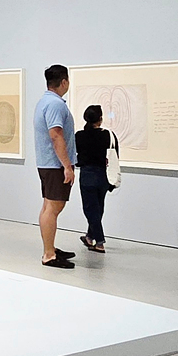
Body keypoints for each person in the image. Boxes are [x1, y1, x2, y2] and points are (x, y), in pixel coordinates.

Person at [33, 64, 78, 269]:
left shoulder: (45, 102)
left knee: (48, 207)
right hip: (54, 165)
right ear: (64, 82)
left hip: (48, 163)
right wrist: (67, 166)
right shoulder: (55, 104)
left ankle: (49, 248)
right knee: (53, 208)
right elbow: (56, 135)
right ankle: (49, 254)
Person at [75, 104, 114, 253]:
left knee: (90, 209)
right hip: (103, 175)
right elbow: (115, 156)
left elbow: (75, 155)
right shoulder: (107, 135)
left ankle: (99, 241)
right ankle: (90, 236)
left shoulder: (79, 136)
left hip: (87, 175)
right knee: (98, 207)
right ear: (100, 119)